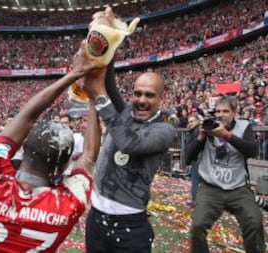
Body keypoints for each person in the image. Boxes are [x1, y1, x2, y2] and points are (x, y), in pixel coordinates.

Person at [0, 41, 103, 252]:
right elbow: (89, 155)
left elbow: (26, 117)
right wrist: (93, 98)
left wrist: (74, 73)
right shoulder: (65, 205)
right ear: (64, 166)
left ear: (23, 145)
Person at [84, 9, 176, 251]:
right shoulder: (124, 111)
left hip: (130, 227)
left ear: (161, 99)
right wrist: (110, 34)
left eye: (149, 95)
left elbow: (130, 143)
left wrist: (101, 101)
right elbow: (108, 81)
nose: (142, 100)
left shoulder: (165, 130)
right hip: (96, 220)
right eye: (137, 93)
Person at [185, 96, 266, 253]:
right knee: (197, 225)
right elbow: (188, 158)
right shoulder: (207, 127)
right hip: (211, 188)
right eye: (218, 111)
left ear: (234, 112)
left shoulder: (243, 126)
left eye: (225, 111)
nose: (221, 115)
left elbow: (252, 150)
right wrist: (201, 136)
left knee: (254, 221)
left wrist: (226, 135)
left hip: (238, 188)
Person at [185, 115, 201, 207]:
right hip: (195, 160)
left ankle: (196, 201)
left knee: (195, 181)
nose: (190, 123)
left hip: (198, 160)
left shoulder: (197, 132)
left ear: (198, 121)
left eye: (192, 121)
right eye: (189, 121)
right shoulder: (194, 131)